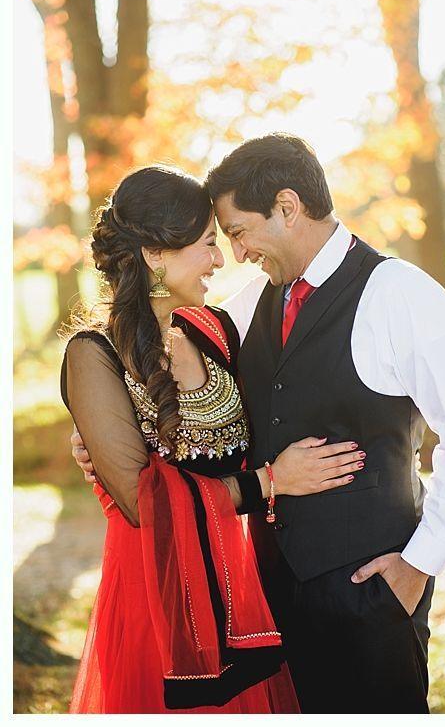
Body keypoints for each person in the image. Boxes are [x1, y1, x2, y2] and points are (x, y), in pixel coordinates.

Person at [74, 135, 445, 713]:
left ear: (288, 207)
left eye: (240, 232)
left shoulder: (400, 293)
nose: (237, 254)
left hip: (372, 591)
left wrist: (418, 564)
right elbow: (178, 396)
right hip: (271, 600)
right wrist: (103, 436)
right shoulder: (248, 308)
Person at [61, 166, 364, 713]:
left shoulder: (217, 328)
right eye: (207, 245)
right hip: (155, 597)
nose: (222, 259)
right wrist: (271, 483)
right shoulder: (92, 354)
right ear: (155, 254)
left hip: (238, 584)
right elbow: (141, 504)